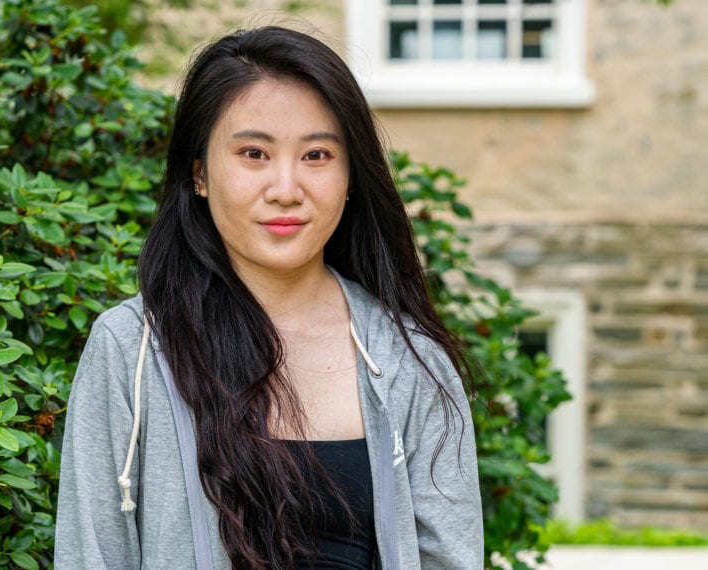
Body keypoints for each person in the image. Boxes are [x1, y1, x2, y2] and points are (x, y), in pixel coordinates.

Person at [54, 26, 483, 569]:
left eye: (317, 155)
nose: (286, 187)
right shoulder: (132, 351)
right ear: (200, 174)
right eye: (254, 153)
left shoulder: (407, 361)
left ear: (351, 176)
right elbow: (92, 555)